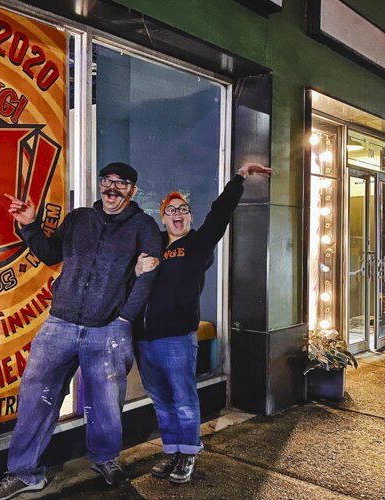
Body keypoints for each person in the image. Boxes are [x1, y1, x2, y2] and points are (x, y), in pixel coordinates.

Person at [0, 162, 162, 499]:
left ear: (132, 190)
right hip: (60, 324)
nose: (111, 189)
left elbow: (149, 274)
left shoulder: (144, 226)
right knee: (36, 398)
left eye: (120, 184)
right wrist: (30, 225)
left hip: (108, 329)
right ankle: (25, 473)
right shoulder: (79, 218)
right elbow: (50, 254)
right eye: (106, 181)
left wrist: (124, 319)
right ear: (99, 185)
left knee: (106, 403)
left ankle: (105, 459)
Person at [134, 162, 273, 484]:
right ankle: (171, 451)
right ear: (162, 215)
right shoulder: (150, 244)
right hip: (143, 337)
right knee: (160, 399)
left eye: (183, 209)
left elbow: (220, 212)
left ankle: (188, 454)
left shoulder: (197, 244)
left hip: (176, 337)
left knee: (182, 397)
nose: (177, 214)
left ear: (191, 216)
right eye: (171, 210)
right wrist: (138, 270)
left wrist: (238, 177)